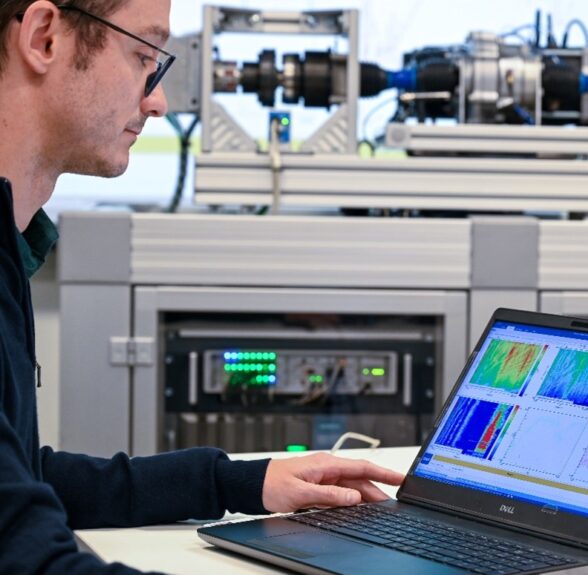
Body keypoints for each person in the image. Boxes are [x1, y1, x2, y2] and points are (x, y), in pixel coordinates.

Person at [0, 1, 405, 573]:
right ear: (44, 38)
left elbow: (26, 480)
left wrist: (238, 480)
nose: (158, 100)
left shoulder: (13, 242)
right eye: (143, 55)